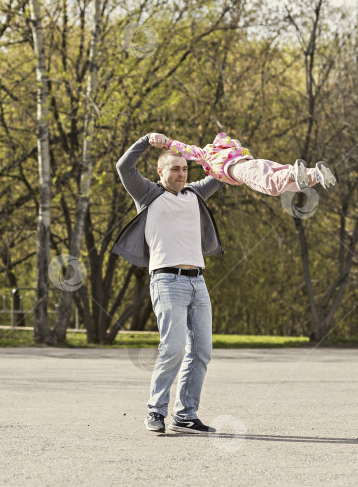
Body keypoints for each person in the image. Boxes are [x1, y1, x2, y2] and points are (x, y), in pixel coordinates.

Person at [111, 133, 226, 435]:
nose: (181, 173)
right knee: (173, 348)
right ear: (160, 172)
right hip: (166, 280)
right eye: (174, 168)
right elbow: (124, 167)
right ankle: (156, 410)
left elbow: (221, 172)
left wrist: (226, 151)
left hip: (198, 283)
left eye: (185, 168)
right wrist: (147, 140)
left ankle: (186, 415)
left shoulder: (195, 193)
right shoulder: (148, 194)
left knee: (201, 351)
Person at [152, 131, 337, 195]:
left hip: (244, 171)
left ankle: (294, 171)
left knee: (271, 186)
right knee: (289, 187)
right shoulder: (236, 150)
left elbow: (188, 150)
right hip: (257, 164)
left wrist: (168, 143)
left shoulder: (208, 154)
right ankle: (317, 174)